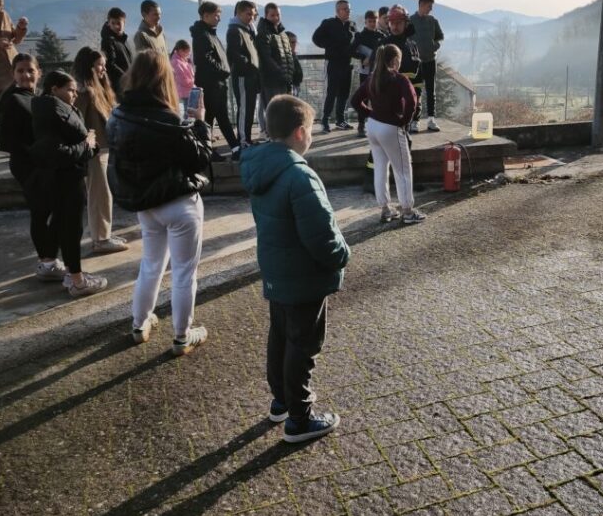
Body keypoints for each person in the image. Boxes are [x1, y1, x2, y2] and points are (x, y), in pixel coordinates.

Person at [239, 95, 350, 442]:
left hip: (277, 271)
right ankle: (300, 419)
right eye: (311, 130)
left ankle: (282, 401)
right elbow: (322, 236)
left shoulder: (260, 168)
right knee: (303, 344)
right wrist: (342, 254)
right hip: (304, 276)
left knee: (280, 336)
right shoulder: (300, 176)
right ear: (300, 132)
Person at [107, 50, 212, 355]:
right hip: (179, 204)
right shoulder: (168, 120)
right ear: (163, 78)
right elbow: (199, 159)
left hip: (147, 205)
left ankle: (139, 324)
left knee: (151, 265)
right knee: (183, 272)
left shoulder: (118, 116)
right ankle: (182, 336)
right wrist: (200, 123)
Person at [31, 70, 107, 298]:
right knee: (71, 229)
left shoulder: (61, 110)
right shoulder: (52, 112)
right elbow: (58, 153)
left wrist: (88, 145)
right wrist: (87, 145)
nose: (74, 94)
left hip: (68, 176)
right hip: (65, 178)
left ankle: (64, 271)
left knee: (62, 226)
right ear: (54, 89)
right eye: (70, 90)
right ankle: (77, 280)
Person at [0, 52, 64, 280]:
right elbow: (8, 141)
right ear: (13, 74)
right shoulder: (12, 100)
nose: (26, 75)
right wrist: (36, 153)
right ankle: (47, 262)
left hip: (42, 163)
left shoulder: (35, 96)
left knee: (49, 210)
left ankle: (49, 259)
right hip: (29, 166)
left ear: (39, 72)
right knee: (41, 211)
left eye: (30, 70)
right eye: (20, 71)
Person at [351, 42, 426, 225]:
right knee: (403, 171)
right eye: (399, 60)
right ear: (395, 60)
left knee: (380, 168)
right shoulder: (400, 79)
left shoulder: (372, 78)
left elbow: (355, 101)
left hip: (373, 127)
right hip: (391, 128)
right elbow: (412, 102)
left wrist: (371, 114)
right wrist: (403, 121)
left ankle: (385, 209)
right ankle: (407, 212)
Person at [73, 47, 129, 255]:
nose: (103, 69)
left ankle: (104, 235)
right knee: (99, 195)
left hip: (103, 149)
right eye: (99, 65)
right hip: (94, 151)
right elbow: (75, 122)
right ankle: (101, 239)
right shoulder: (84, 92)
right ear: (89, 66)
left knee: (103, 194)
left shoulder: (98, 89)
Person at [190, 0, 238, 158]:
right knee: (222, 116)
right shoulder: (202, 35)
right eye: (216, 15)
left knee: (209, 118)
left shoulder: (210, 33)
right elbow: (204, 59)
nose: (219, 18)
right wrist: (223, 70)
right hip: (211, 84)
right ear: (206, 15)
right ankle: (236, 148)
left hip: (216, 82)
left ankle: (206, 150)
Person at [312, 0, 356, 132]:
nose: (348, 11)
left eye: (349, 9)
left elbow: (356, 42)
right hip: (334, 63)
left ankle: (340, 120)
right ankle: (325, 120)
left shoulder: (352, 25)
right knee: (331, 93)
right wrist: (330, 46)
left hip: (347, 64)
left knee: (344, 93)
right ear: (338, 11)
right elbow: (316, 38)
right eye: (345, 9)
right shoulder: (329, 23)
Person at [408, 0, 444, 133]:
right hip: (415, 63)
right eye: (429, 6)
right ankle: (414, 121)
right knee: (415, 92)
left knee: (430, 90)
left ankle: (431, 120)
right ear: (422, 4)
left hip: (430, 60)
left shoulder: (433, 21)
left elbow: (440, 37)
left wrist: (434, 46)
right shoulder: (410, 21)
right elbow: (406, 39)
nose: (431, 9)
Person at [256, 3, 294, 132]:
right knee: (273, 111)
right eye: (272, 15)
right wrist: (280, 72)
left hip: (284, 79)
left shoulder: (282, 33)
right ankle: (272, 136)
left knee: (283, 110)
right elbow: (266, 57)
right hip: (271, 80)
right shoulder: (263, 33)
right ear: (266, 15)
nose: (276, 18)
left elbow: (288, 55)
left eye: (278, 14)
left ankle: (281, 136)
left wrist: (289, 74)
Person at [227, 1, 260, 145]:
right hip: (243, 76)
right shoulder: (235, 30)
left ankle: (247, 138)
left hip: (251, 75)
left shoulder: (247, 29)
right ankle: (243, 140)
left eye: (253, 15)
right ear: (239, 13)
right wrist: (249, 64)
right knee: (245, 109)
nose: (251, 17)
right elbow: (233, 53)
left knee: (250, 108)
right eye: (248, 14)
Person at [350, 10, 385, 137]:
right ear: (365, 22)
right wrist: (362, 58)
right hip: (365, 71)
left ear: (377, 21)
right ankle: (361, 125)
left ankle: (377, 125)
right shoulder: (360, 36)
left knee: (378, 98)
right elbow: (351, 51)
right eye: (369, 21)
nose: (372, 23)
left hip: (379, 71)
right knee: (363, 97)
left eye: (374, 21)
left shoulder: (382, 36)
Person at [387, 4, 422, 121]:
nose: (395, 26)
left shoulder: (412, 46)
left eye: (398, 23)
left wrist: (418, 98)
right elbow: (374, 75)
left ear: (406, 24)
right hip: (389, 101)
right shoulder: (382, 45)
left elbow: (418, 76)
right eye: (392, 23)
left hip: (409, 100)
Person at [0, 0, 28, 100]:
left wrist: (21, 28)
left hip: (14, 70)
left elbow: (16, 40)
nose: (0, 6)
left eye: (1, 3)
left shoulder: (4, 15)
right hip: (0, 78)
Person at [100, 7, 133, 97]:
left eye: (119, 23)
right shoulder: (107, 41)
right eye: (113, 23)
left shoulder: (123, 40)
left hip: (128, 84)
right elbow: (110, 64)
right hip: (118, 86)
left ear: (124, 22)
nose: (116, 26)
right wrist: (126, 76)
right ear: (108, 23)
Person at [170, 40, 195, 116]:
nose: (188, 54)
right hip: (185, 91)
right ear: (181, 51)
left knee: (190, 112)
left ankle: (188, 122)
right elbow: (182, 80)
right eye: (187, 52)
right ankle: (187, 123)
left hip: (188, 90)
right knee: (188, 113)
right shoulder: (176, 62)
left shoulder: (183, 59)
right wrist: (194, 81)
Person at [285, 32, 304, 97]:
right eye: (292, 42)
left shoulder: (293, 54)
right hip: (290, 88)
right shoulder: (285, 57)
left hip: (295, 86)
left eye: (296, 42)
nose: (295, 45)